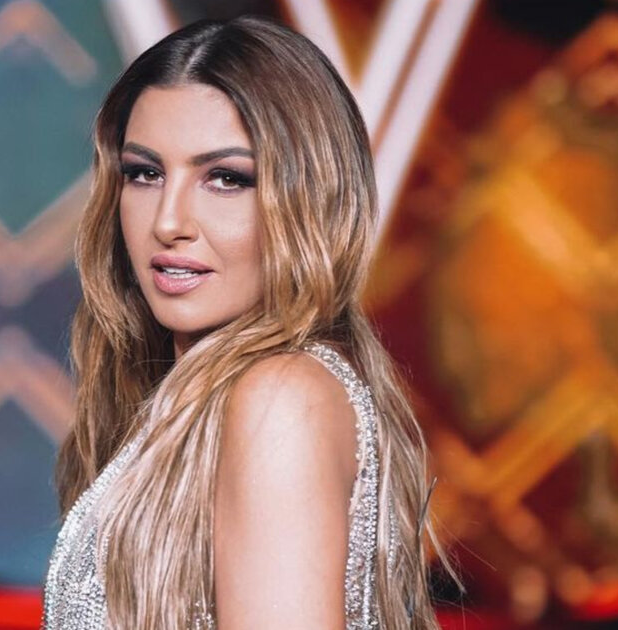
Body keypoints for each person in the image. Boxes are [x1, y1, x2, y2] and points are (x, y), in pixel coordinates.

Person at [44, 15, 455, 630]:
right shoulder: (201, 402)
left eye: (226, 178)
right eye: (145, 173)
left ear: (310, 199)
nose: (168, 221)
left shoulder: (280, 399)